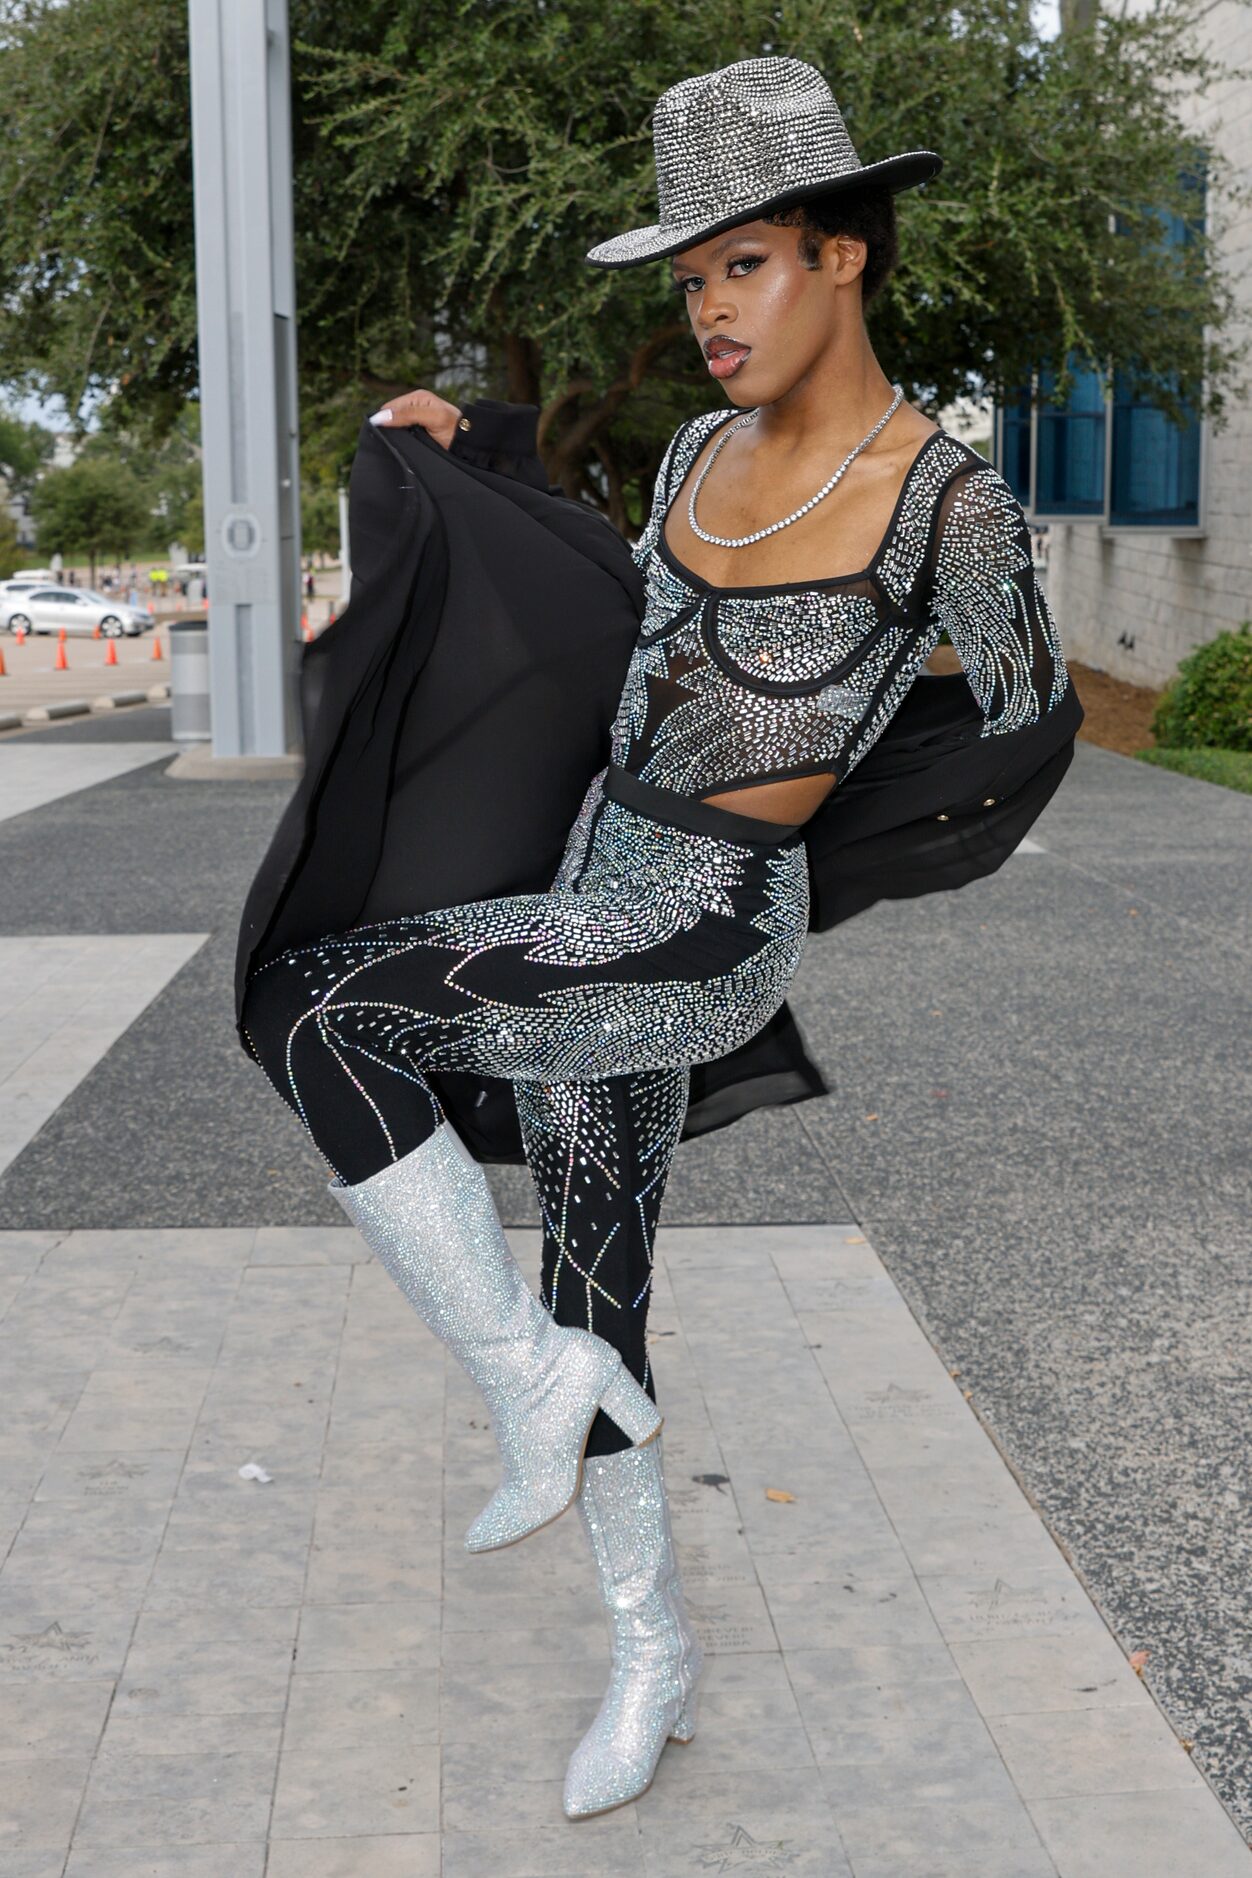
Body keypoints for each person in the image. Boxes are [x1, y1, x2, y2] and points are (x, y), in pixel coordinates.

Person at [238, 56, 1075, 1820]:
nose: (707, 309)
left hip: (700, 917)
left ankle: (529, 1385)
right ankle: (651, 1649)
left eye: (744, 264)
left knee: (315, 1011)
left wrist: (820, 838)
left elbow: (1023, 718)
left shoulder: (947, 500)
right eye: (690, 279)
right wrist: (456, 458)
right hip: (581, 874)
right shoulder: (698, 447)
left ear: (844, 254)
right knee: (598, 1275)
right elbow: (615, 613)